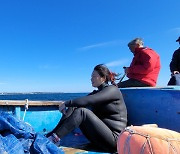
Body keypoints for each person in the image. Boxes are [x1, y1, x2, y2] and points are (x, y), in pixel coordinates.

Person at [46, 64, 127, 153]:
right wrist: (55, 131)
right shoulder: (97, 92)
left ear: (103, 78)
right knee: (74, 107)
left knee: (82, 112)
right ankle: (53, 135)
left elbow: (88, 100)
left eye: (94, 76)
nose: (91, 79)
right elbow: (80, 102)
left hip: (114, 140)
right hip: (99, 138)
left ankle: (54, 139)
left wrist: (66, 103)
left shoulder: (112, 90)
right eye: (91, 76)